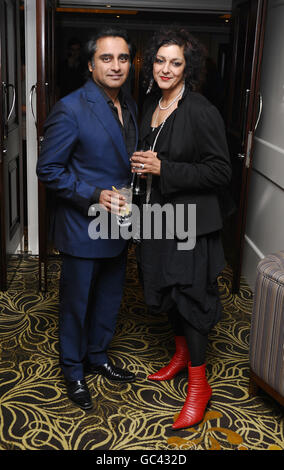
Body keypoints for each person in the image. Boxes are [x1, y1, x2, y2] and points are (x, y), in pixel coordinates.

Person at [131, 28, 232, 430]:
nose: (166, 69)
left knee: (190, 298)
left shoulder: (201, 110)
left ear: (187, 67)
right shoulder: (152, 104)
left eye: (175, 62)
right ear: (151, 64)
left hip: (189, 223)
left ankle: (199, 386)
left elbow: (220, 171)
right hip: (158, 219)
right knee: (166, 289)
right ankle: (178, 357)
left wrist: (164, 169)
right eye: (160, 60)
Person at [37, 27, 138, 411]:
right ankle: (73, 370)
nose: (116, 66)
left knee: (110, 297)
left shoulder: (128, 105)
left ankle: (98, 356)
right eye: (107, 58)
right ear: (92, 63)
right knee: (77, 304)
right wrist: (94, 195)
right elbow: (48, 170)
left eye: (123, 58)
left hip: (119, 223)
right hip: (83, 226)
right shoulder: (71, 107)